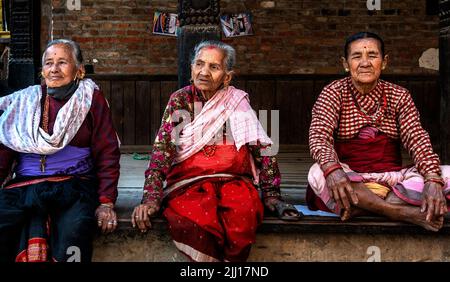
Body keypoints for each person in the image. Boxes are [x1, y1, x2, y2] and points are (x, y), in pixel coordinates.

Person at [132, 40, 301, 262]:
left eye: (214, 67)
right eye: (199, 64)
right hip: (189, 183)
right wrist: (151, 197)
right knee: (194, 219)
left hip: (234, 182)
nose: (204, 72)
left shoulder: (236, 102)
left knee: (244, 215)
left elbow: (264, 149)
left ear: (227, 77)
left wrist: (271, 195)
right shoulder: (181, 100)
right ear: (191, 69)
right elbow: (162, 151)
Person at [307, 31, 449, 232]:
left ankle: (367, 208)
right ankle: (400, 211)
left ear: (384, 62)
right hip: (350, 179)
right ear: (345, 63)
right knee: (317, 173)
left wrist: (433, 179)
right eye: (357, 56)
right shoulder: (333, 93)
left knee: (446, 176)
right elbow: (319, 137)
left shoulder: (399, 95)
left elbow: (417, 139)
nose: (365, 63)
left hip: (392, 180)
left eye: (372, 55)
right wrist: (334, 170)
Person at [0, 39, 120, 262]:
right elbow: (7, 144)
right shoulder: (25, 101)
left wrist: (106, 202)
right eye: (48, 63)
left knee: (75, 231)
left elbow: (107, 151)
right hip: (26, 184)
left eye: (62, 62)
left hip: (74, 184)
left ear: (79, 70)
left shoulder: (90, 99)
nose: (54, 69)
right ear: (42, 70)